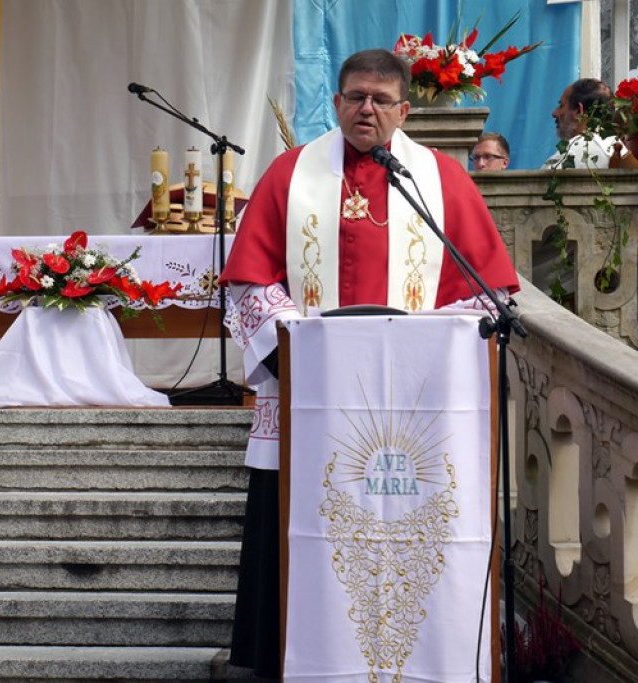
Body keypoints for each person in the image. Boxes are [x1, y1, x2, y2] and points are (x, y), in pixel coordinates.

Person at [219, 49, 519, 678]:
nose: (366, 109)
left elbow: (486, 291)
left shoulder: (438, 179)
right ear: (335, 103)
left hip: (414, 413)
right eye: (355, 96)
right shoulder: (291, 174)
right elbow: (249, 283)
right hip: (309, 399)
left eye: (381, 100)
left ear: (405, 110)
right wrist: (295, 361)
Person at [541, 78, 616, 169]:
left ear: (578, 111)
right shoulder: (622, 150)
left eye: (561, 105)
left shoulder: (567, 158)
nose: (554, 113)